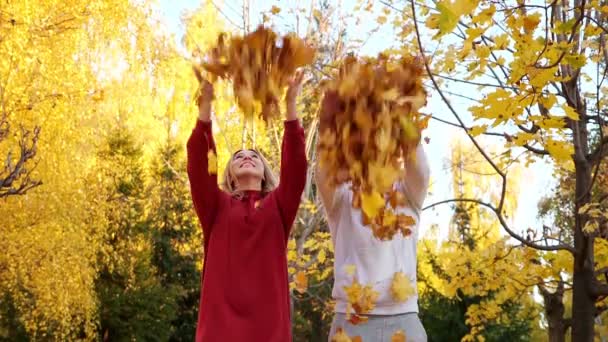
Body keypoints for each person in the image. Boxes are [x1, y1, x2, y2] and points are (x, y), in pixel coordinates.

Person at [187, 71, 307, 341]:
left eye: (254, 156)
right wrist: (205, 108)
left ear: (264, 172)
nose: (246, 157)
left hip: (269, 331)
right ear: (229, 174)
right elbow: (198, 167)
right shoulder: (216, 206)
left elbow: (296, 168)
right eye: (238, 156)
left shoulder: (278, 206)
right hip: (219, 331)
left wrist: (290, 106)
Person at [315, 91, 430, 342]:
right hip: (351, 319)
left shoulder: (407, 193)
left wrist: (402, 114)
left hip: (403, 316)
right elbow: (322, 175)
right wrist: (329, 123)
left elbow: (420, 168)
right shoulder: (342, 198)